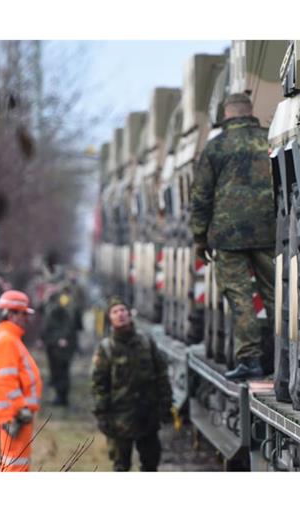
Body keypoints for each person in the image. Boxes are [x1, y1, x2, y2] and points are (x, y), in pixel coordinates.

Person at [190, 92, 276, 380]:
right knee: (277, 295)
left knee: (240, 297)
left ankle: (250, 360)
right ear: (249, 112)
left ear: (225, 114)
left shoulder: (216, 147)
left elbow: (200, 197)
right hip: (269, 230)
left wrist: (199, 239)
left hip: (228, 236)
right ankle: (284, 357)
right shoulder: (270, 138)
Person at [90, 297, 173, 471]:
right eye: (115, 312)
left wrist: (165, 405)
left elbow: (161, 374)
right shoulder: (106, 348)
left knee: (150, 464)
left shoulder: (146, 342)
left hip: (147, 417)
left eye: (123, 310)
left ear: (129, 315)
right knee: (121, 467)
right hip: (120, 420)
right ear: (110, 318)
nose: (120, 314)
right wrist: (102, 416)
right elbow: (99, 385)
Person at [0, 290, 43, 471]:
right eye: (23, 313)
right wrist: (20, 408)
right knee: (15, 466)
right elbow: (7, 380)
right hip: (14, 415)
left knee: (13, 463)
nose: (26, 318)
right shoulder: (7, 340)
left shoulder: (8, 338)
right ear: (10, 313)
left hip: (14, 414)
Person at [39, 283, 79, 406]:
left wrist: (63, 337)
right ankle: (58, 395)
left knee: (62, 369)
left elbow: (69, 319)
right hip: (51, 341)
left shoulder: (63, 299)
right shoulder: (50, 299)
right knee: (55, 369)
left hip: (61, 342)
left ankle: (62, 398)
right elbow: (41, 312)